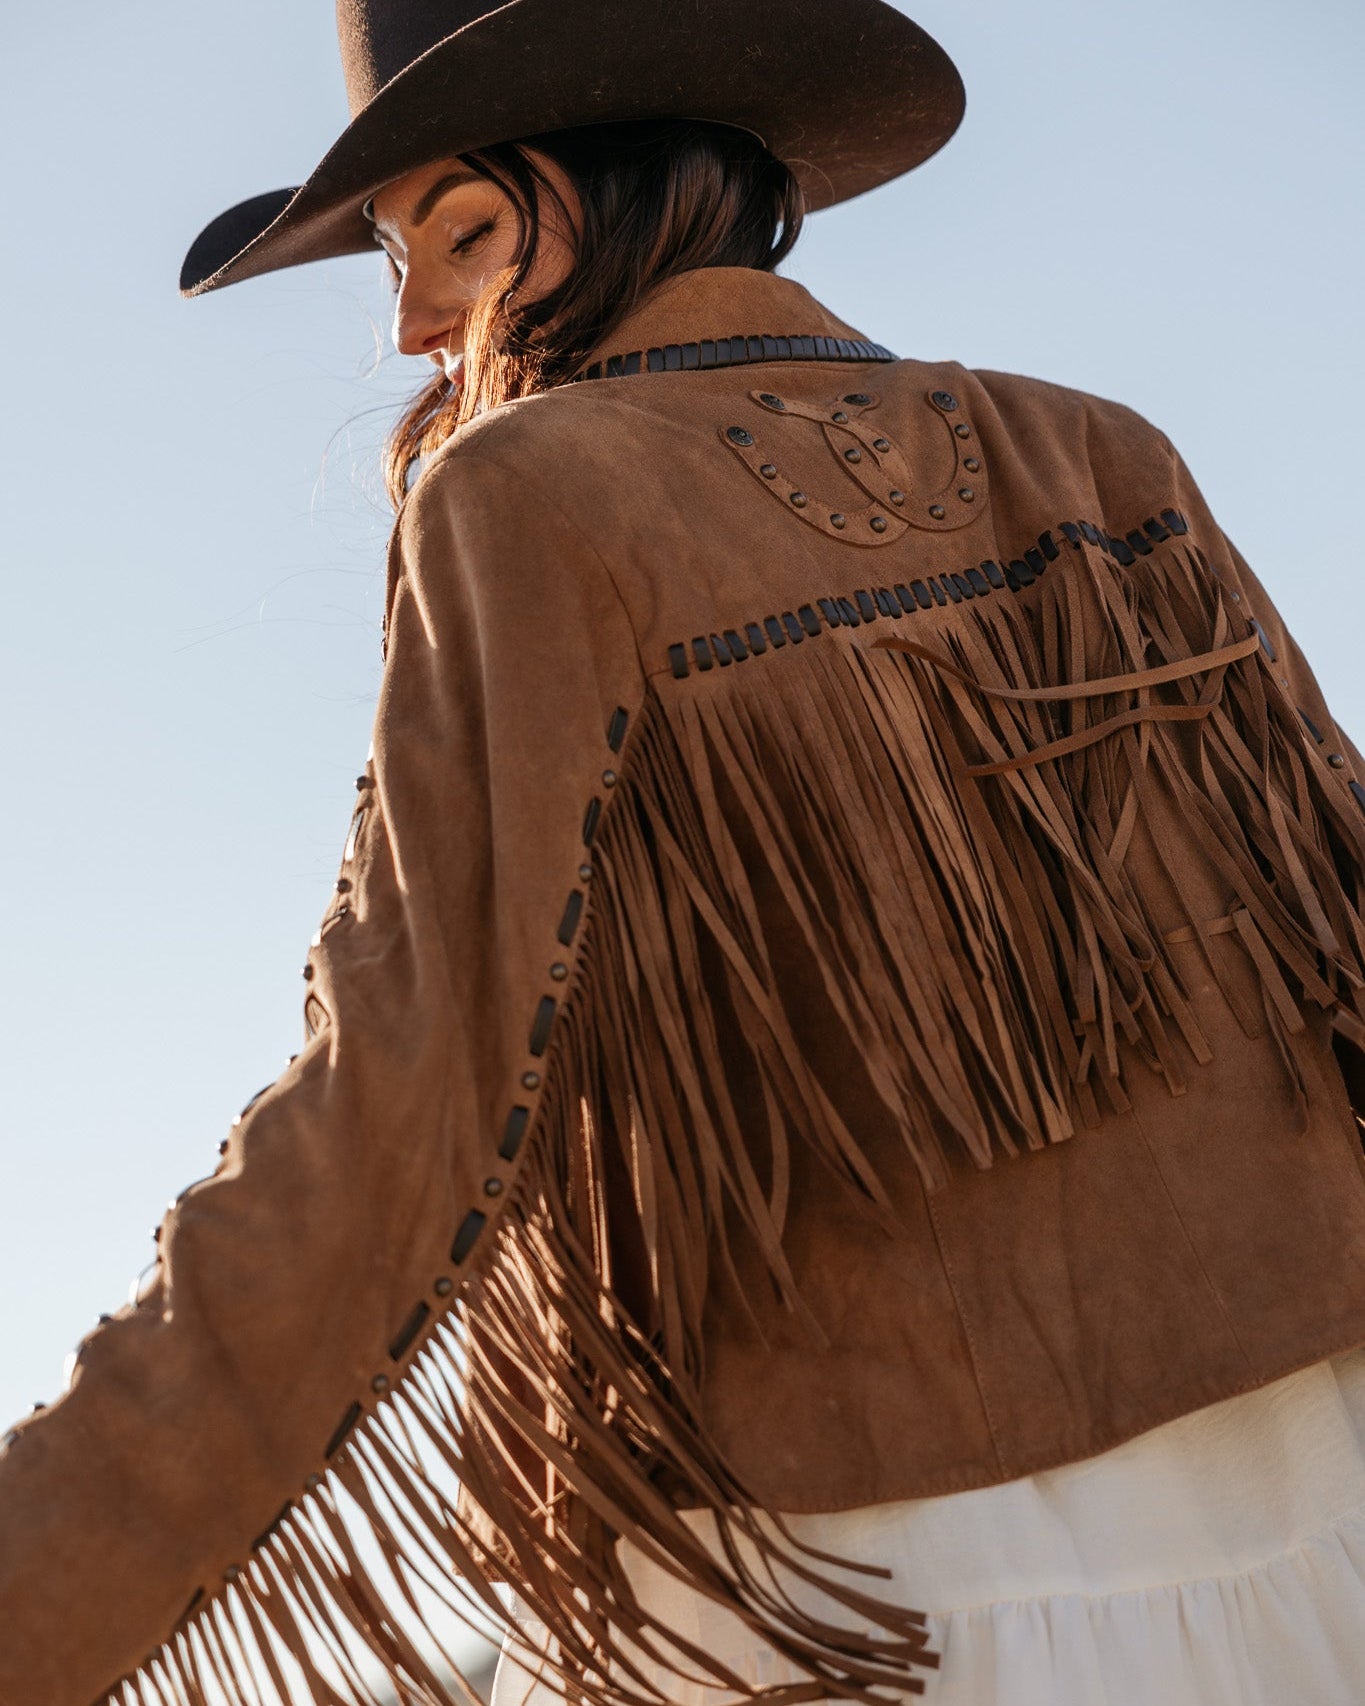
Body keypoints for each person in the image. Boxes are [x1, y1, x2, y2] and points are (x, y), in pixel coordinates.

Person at [5, 3, 1365, 1704]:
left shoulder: (534, 491)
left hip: (862, 1584)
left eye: (466, 232)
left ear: (654, 182)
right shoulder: (1093, 449)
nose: (418, 322)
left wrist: (40, 1572)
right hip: (1312, 1507)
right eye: (390, 255)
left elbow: (400, 1102)